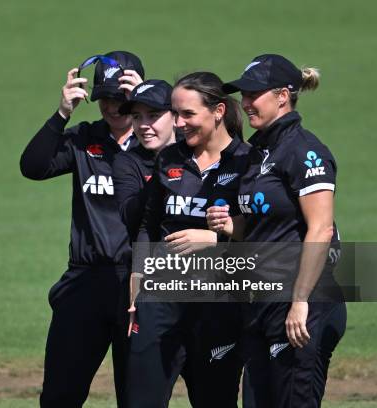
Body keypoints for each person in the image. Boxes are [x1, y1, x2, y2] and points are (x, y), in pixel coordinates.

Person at [207, 54, 346, 407]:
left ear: (283, 96)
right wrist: (228, 225)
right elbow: (265, 226)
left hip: (304, 301)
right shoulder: (259, 151)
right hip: (263, 300)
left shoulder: (305, 152)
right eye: (244, 95)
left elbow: (320, 229)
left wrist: (300, 301)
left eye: (254, 94)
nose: (246, 103)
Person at [20, 51, 145, 408]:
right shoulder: (84, 139)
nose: (110, 107)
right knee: (60, 393)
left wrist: (152, 105)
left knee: (137, 395)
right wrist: (61, 114)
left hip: (138, 284)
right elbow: (33, 166)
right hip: (85, 281)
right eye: (103, 98)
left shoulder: (157, 144)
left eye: (119, 99)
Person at [129, 72, 249, 408]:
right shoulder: (169, 159)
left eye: (188, 115)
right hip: (161, 300)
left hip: (218, 306)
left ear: (218, 111)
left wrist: (215, 238)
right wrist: (137, 282)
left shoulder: (248, 163)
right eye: (175, 113)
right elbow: (149, 226)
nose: (179, 124)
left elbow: (267, 237)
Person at [112, 79, 176, 244]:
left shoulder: (197, 153)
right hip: (152, 262)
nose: (143, 125)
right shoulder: (126, 161)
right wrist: (163, 172)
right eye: (137, 117)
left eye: (153, 115)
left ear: (175, 117)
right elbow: (130, 216)